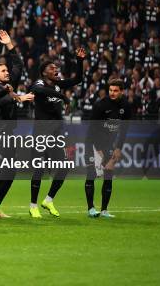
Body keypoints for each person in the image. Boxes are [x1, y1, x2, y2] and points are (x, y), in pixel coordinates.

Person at [29, 47, 86, 218]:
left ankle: (48, 199)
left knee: (64, 167)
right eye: (51, 68)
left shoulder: (58, 84)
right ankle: (33, 205)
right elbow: (38, 91)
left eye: (56, 67)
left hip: (56, 135)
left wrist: (80, 61)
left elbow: (79, 79)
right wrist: (63, 97)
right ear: (44, 72)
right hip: (40, 134)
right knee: (38, 170)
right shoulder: (40, 83)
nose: (55, 69)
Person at [0, 30, 34, 218]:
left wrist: (9, 45)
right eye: (3, 70)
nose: (7, 72)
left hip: (9, 134)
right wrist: (19, 98)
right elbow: (3, 101)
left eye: (6, 70)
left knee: (11, 171)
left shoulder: (8, 85)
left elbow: (19, 64)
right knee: (1, 169)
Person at [85, 79, 131, 218]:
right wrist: (98, 149)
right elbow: (92, 128)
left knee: (109, 171)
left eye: (116, 90)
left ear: (121, 91)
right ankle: (91, 209)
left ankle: (104, 210)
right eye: (110, 90)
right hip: (92, 142)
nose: (112, 93)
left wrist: (118, 148)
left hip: (108, 144)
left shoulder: (126, 107)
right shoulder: (101, 105)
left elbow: (124, 130)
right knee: (92, 174)